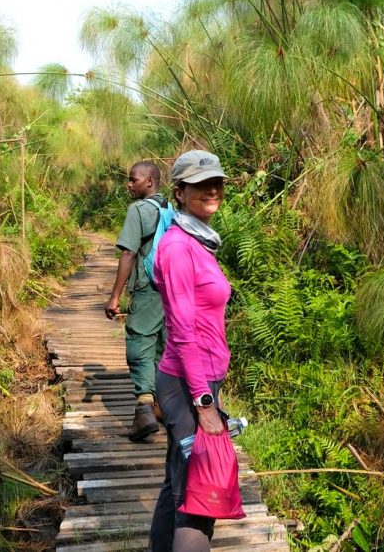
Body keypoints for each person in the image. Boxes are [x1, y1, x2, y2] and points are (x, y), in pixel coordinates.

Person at [149, 150, 231, 552]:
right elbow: (181, 332)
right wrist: (203, 403)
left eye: (216, 182)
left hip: (193, 380)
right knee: (199, 499)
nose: (212, 190)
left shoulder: (198, 241)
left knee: (177, 485)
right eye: (200, 184)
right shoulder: (179, 247)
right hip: (187, 384)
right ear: (179, 192)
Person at [105, 161, 169, 441]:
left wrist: (115, 296)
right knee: (162, 346)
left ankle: (144, 408)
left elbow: (129, 254)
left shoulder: (138, 210)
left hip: (147, 288)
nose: (129, 185)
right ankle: (164, 407)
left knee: (139, 341)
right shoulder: (171, 209)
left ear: (150, 182)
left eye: (133, 179)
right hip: (172, 291)